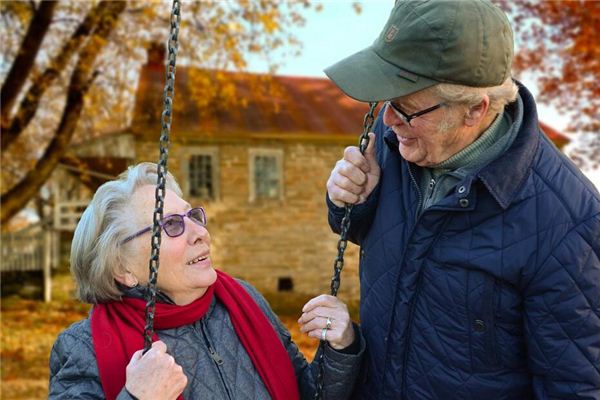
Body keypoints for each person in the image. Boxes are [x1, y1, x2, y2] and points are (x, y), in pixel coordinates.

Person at [324, 0, 600, 399]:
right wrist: (350, 202)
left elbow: (575, 387)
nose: (388, 119)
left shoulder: (569, 225)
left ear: (474, 110)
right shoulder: (395, 141)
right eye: (387, 101)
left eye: (405, 108)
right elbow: (376, 237)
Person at [49, 162, 364, 400]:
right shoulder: (83, 347)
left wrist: (340, 348)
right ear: (122, 268)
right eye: (171, 225)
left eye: (192, 216)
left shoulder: (243, 300)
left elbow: (306, 393)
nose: (200, 233)